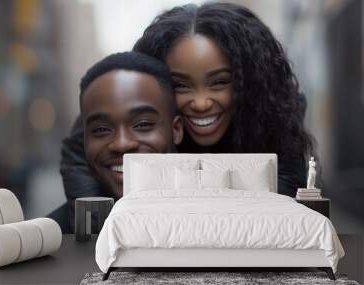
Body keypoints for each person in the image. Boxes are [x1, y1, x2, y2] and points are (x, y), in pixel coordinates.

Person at [60, 2, 317, 227]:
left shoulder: (276, 113)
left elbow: (281, 202)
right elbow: (78, 156)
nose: (201, 103)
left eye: (219, 82)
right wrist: (103, 229)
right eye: (181, 85)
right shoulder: (127, 103)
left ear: (248, 82)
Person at [61, 51, 183, 232]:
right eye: (101, 129)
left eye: (143, 124)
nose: (121, 144)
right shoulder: (55, 238)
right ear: (84, 139)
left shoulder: (216, 222)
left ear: (176, 130)